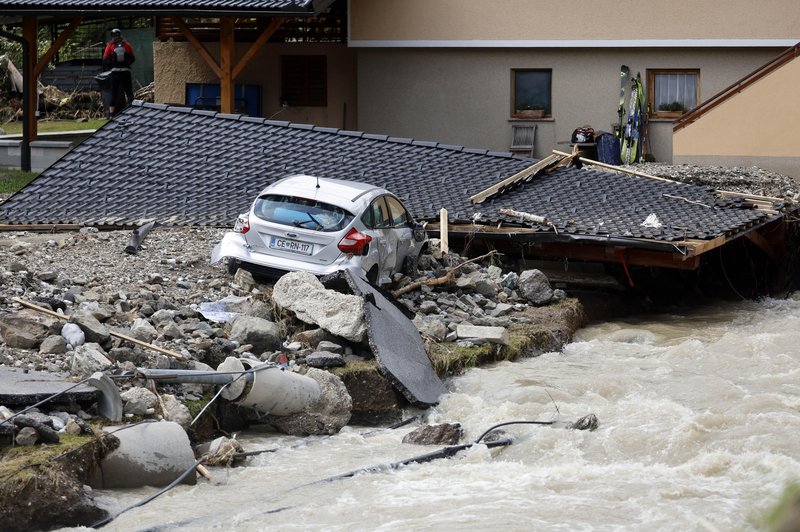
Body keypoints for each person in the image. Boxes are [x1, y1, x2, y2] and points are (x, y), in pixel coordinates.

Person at [102, 28, 135, 116]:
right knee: (129, 93)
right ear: (120, 35)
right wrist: (126, 64)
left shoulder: (110, 46)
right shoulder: (127, 45)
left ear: (112, 36)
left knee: (113, 93)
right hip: (126, 72)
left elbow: (105, 60)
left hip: (115, 72)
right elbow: (132, 58)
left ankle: (111, 113)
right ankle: (132, 113)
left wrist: (112, 66)